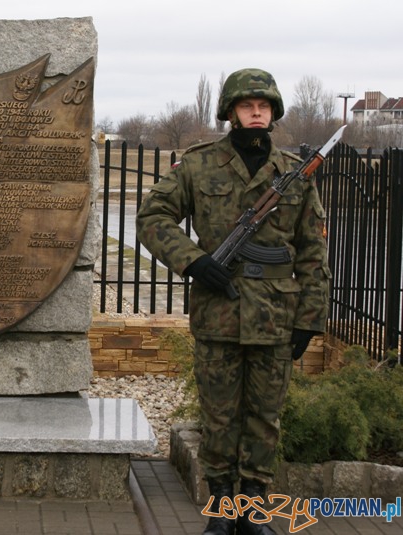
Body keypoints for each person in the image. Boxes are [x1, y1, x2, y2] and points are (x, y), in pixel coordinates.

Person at [136, 68, 330, 535]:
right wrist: (193, 261)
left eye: (263, 105)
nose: (256, 111)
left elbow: (313, 250)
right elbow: (152, 216)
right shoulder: (200, 165)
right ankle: (223, 509)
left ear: (274, 112)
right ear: (230, 112)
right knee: (219, 415)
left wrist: (310, 318)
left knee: (265, 417)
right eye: (247, 105)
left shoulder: (293, 174)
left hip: (276, 315)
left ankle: (255, 511)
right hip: (219, 309)